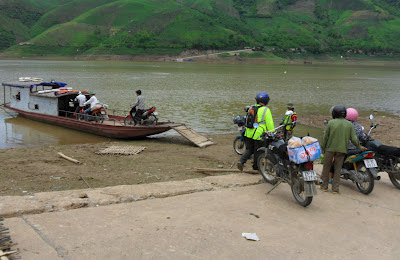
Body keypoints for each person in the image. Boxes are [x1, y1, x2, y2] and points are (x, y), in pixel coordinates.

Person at [320, 105, 366, 194]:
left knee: (326, 167)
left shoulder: (331, 123)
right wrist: (360, 147)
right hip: (342, 150)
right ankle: (335, 189)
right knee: (338, 169)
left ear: (334, 113)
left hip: (330, 149)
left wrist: (323, 148)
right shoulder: (349, 124)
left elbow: (325, 137)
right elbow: (354, 139)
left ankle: (324, 187)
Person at [237, 92, 274, 171]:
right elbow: (270, 124)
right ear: (266, 101)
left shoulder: (251, 108)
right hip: (259, 134)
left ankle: (241, 161)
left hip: (248, 133)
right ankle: (256, 167)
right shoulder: (266, 110)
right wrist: (272, 133)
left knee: (249, 149)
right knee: (258, 151)